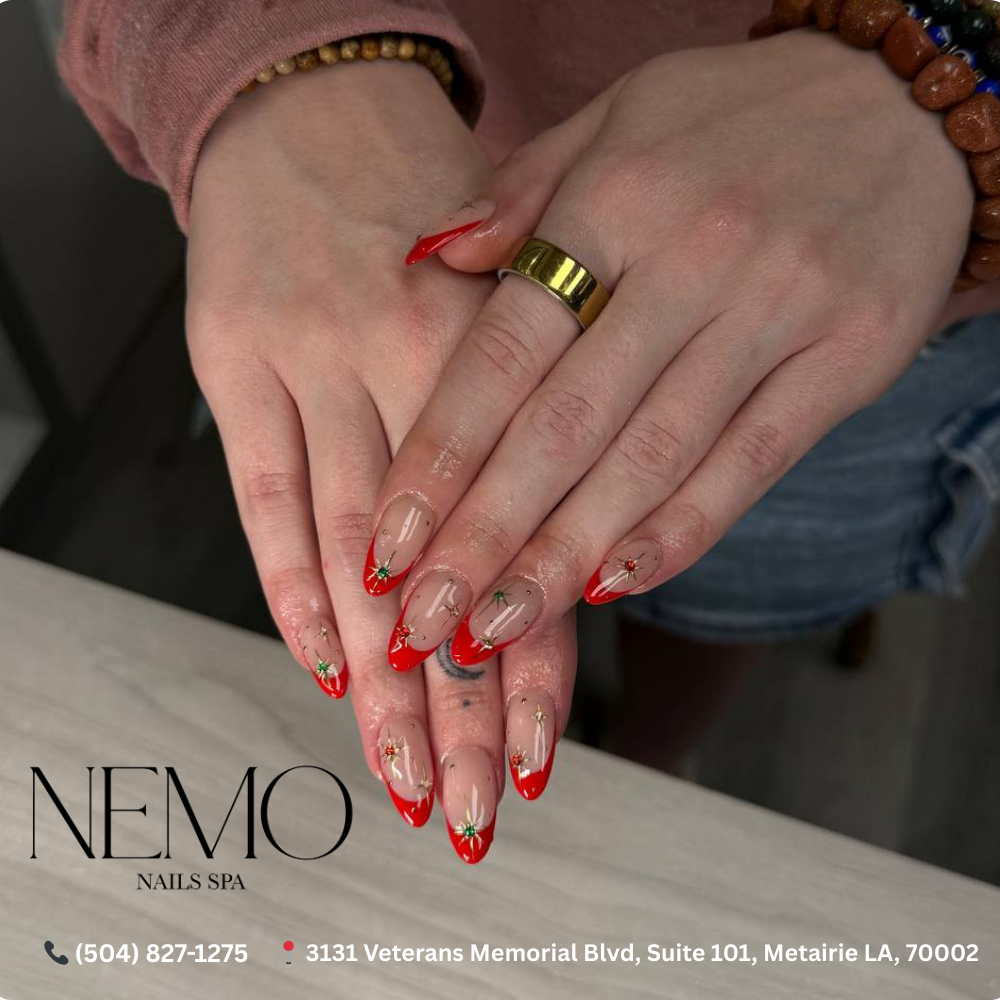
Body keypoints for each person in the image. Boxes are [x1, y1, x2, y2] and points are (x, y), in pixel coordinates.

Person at [60, 0, 1000, 863]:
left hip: (849, 250)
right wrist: (273, 49)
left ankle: (647, 751)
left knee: (723, 597)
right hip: (381, 211)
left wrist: (952, 59)